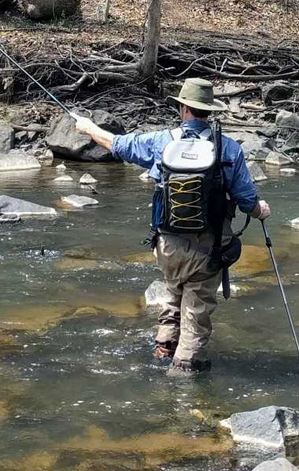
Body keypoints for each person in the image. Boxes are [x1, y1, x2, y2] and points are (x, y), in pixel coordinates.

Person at [73, 77, 270, 375]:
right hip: (209, 247)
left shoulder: (160, 142)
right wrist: (261, 211)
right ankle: (184, 372)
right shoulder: (228, 149)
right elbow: (247, 202)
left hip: (166, 244)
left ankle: (164, 347)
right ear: (208, 111)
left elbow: (116, 145)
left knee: (173, 290)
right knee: (198, 306)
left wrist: (88, 127)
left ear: (182, 108)